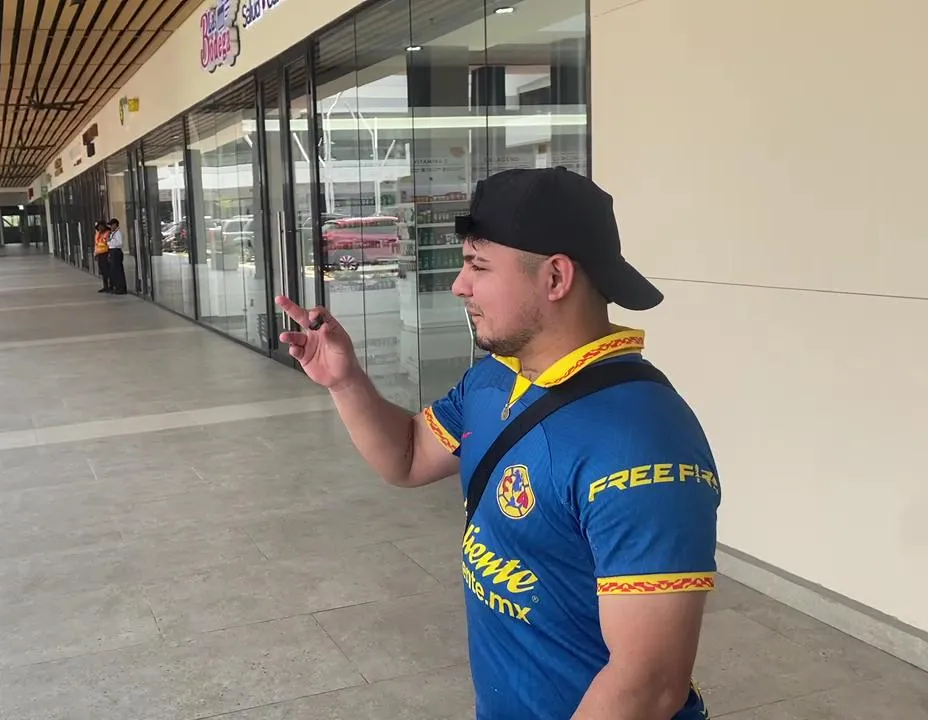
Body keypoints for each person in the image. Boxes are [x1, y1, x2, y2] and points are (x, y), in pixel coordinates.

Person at [276, 167, 720, 720]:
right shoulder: (494, 379)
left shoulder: (642, 441)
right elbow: (408, 456)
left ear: (555, 277)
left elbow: (648, 684)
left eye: (478, 265)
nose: (459, 285)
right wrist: (345, 381)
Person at [107, 218, 127, 294]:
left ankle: (121, 288)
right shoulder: (113, 233)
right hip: (112, 251)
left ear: (115, 225)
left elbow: (119, 243)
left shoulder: (118, 233)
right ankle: (117, 286)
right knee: (114, 270)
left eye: (111, 225)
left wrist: (110, 242)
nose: (111, 227)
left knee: (118, 270)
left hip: (116, 251)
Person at [93, 221, 112, 293]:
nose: (100, 228)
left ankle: (110, 286)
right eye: (99, 227)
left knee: (108, 271)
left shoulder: (108, 233)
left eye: (101, 226)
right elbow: (96, 244)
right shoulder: (98, 234)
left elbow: (109, 243)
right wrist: (95, 253)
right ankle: (105, 286)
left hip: (106, 253)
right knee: (103, 271)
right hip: (100, 254)